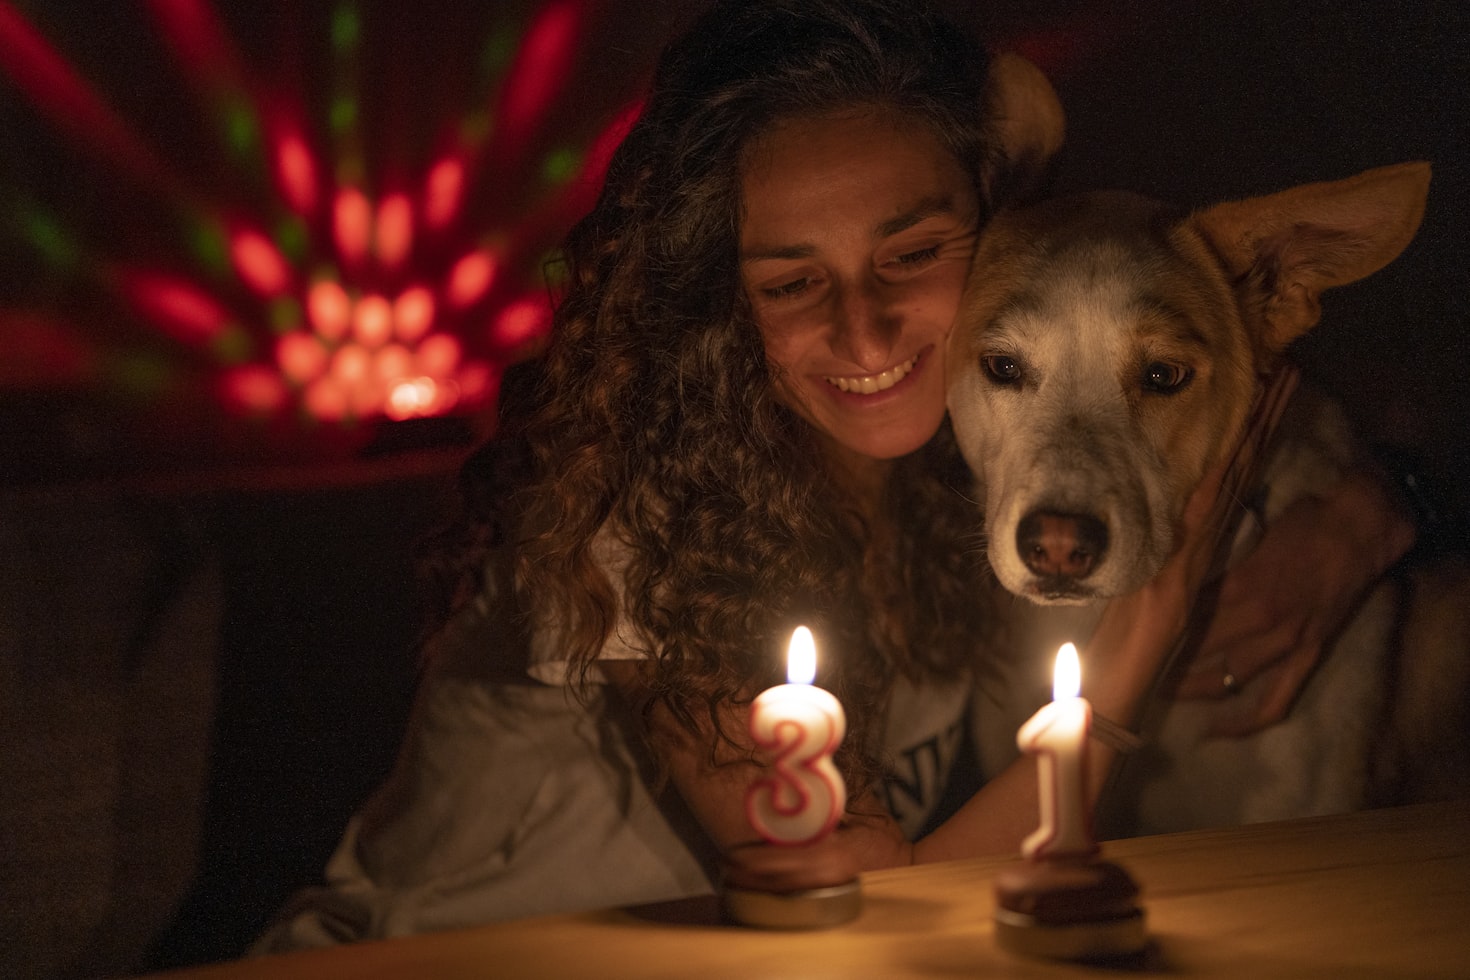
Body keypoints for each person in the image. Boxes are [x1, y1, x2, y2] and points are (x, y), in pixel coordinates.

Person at [252, 0, 1416, 951]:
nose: (866, 335)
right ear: (719, 296)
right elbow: (875, 911)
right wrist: (1130, 653)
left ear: (991, 231)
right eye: (791, 280)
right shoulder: (640, 510)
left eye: (911, 254)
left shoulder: (955, 455)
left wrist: (1373, 512)